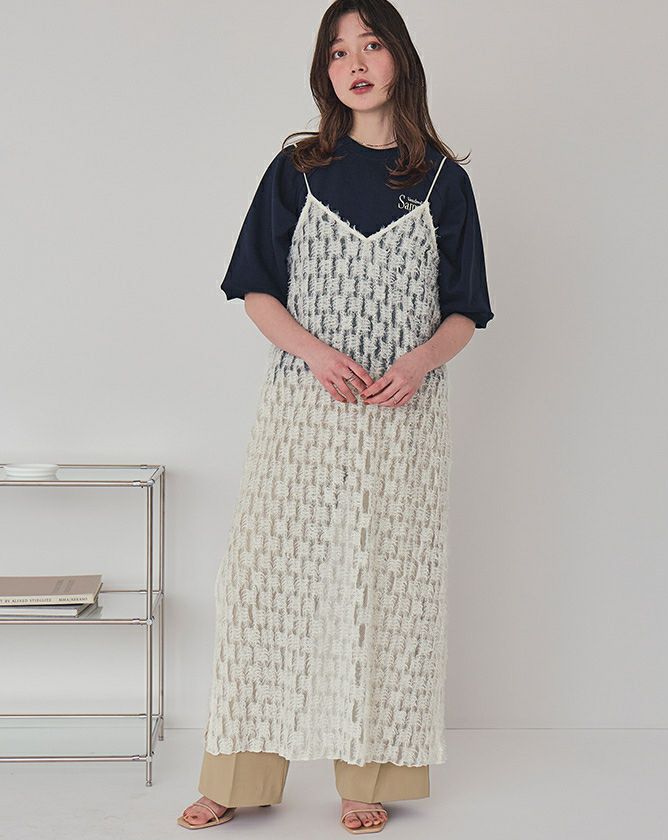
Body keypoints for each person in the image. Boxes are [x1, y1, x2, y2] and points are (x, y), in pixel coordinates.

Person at [178, 0, 494, 832]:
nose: (354, 64)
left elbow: (465, 310)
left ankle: (368, 780)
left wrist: (419, 362)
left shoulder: (443, 183)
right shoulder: (298, 169)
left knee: (388, 591)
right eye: (337, 52)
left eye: (371, 45)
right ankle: (240, 778)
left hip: (403, 420)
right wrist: (314, 353)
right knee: (266, 590)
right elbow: (254, 287)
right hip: (302, 410)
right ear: (325, 72)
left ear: (400, 60)